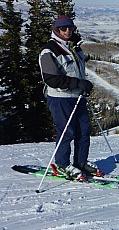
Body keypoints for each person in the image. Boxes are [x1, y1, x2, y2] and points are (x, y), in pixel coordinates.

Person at [39, 15, 100, 179]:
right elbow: (51, 79)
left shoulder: (75, 47)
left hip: (77, 97)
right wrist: (78, 83)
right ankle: (62, 164)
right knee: (67, 132)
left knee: (84, 130)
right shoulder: (49, 50)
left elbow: (77, 69)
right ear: (56, 30)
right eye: (63, 28)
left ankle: (80, 162)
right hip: (60, 97)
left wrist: (83, 85)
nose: (67, 31)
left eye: (70, 28)